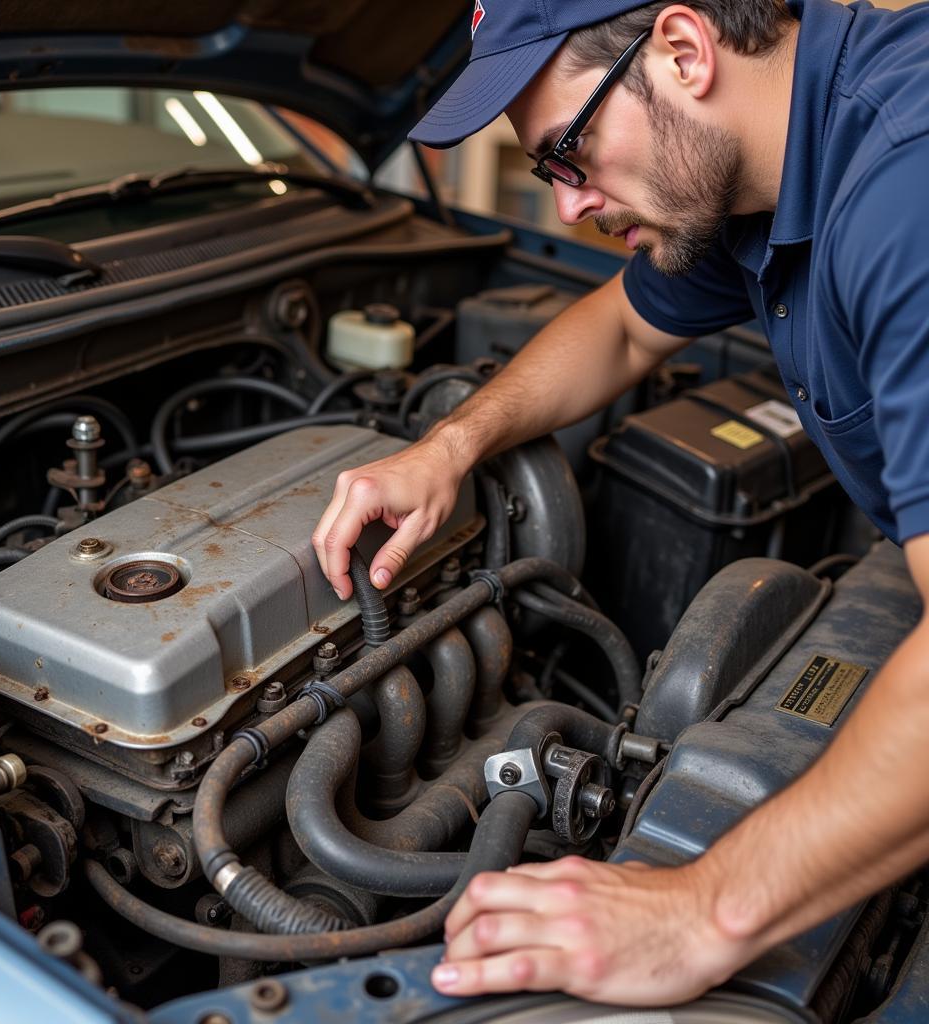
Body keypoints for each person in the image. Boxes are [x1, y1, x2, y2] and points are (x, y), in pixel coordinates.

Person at [311, 0, 929, 1007]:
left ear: (682, 52)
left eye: (568, 152)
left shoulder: (907, 187)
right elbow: (625, 328)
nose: (566, 207)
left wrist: (698, 910)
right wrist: (449, 445)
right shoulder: (765, 170)